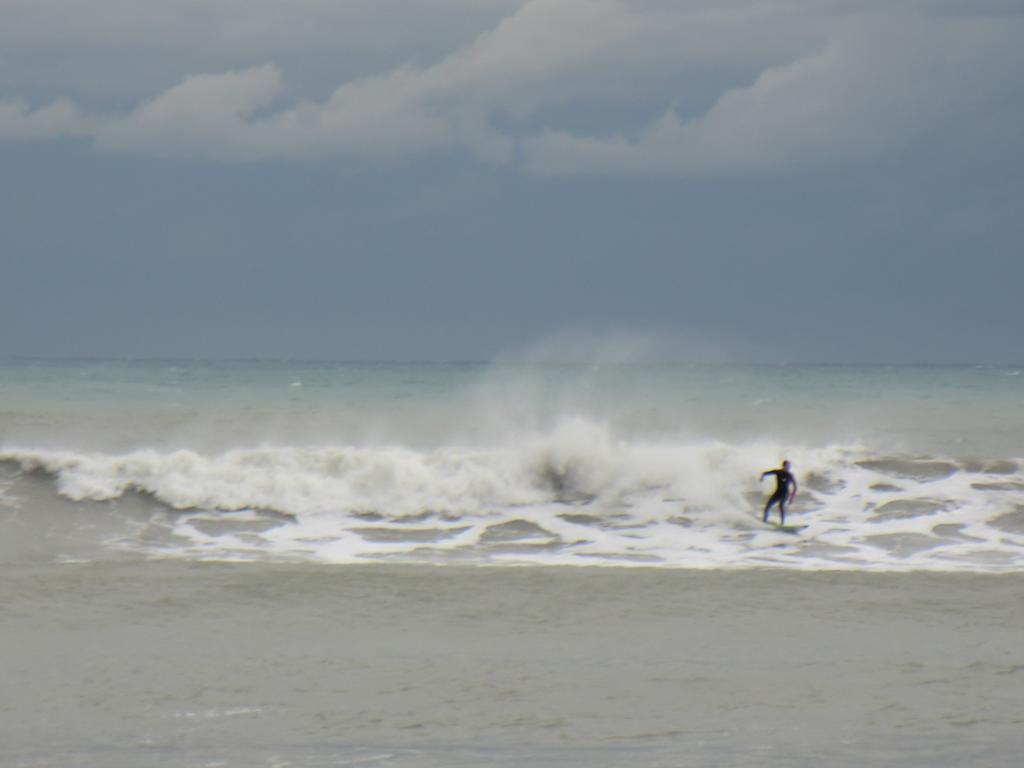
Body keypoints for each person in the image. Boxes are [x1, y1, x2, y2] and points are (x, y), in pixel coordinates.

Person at [760, 460, 797, 525]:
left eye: (789, 466)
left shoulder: (790, 475)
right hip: (777, 493)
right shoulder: (778, 472)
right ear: (784, 466)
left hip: (785, 494)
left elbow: (795, 486)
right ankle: (764, 521)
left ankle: (782, 523)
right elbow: (766, 473)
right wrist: (762, 476)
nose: (789, 467)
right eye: (787, 466)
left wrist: (792, 498)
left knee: (781, 506)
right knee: (768, 506)